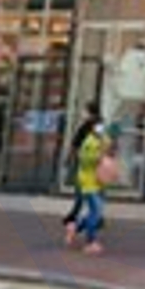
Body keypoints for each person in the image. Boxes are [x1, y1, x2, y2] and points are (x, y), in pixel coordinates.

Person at [71, 121, 116, 254]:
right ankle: (90, 242)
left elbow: (109, 146)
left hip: (98, 182)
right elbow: (85, 160)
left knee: (95, 212)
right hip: (89, 183)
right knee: (95, 212)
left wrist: (109, 147)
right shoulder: (89, 142)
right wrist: (99, 157)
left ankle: (75, 228)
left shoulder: (101, 139)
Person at [63, 101, 103, 246]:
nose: (83, 113)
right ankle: (88, 236)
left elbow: (75, 145)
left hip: (88, 170)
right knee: (92, 204)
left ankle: (74, 225)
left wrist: (69, 158)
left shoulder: (88, 128)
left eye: (84, 111)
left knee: (85, 200)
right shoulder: (95, 128)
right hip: (90, 171)